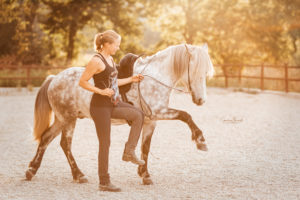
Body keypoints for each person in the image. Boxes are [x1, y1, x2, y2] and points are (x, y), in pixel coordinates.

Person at [79, 30, 145, 192]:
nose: (118, 47)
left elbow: (113, 81)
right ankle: (104, 182)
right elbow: (82, 81)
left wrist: (131, 79)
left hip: (113, 103)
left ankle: (129, 151)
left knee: (138, 115)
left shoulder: (110, 58)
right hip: (99, 107)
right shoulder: (96, 61)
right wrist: (100, 91)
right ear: (107, 44)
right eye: (116, 44)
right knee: (105, 143)